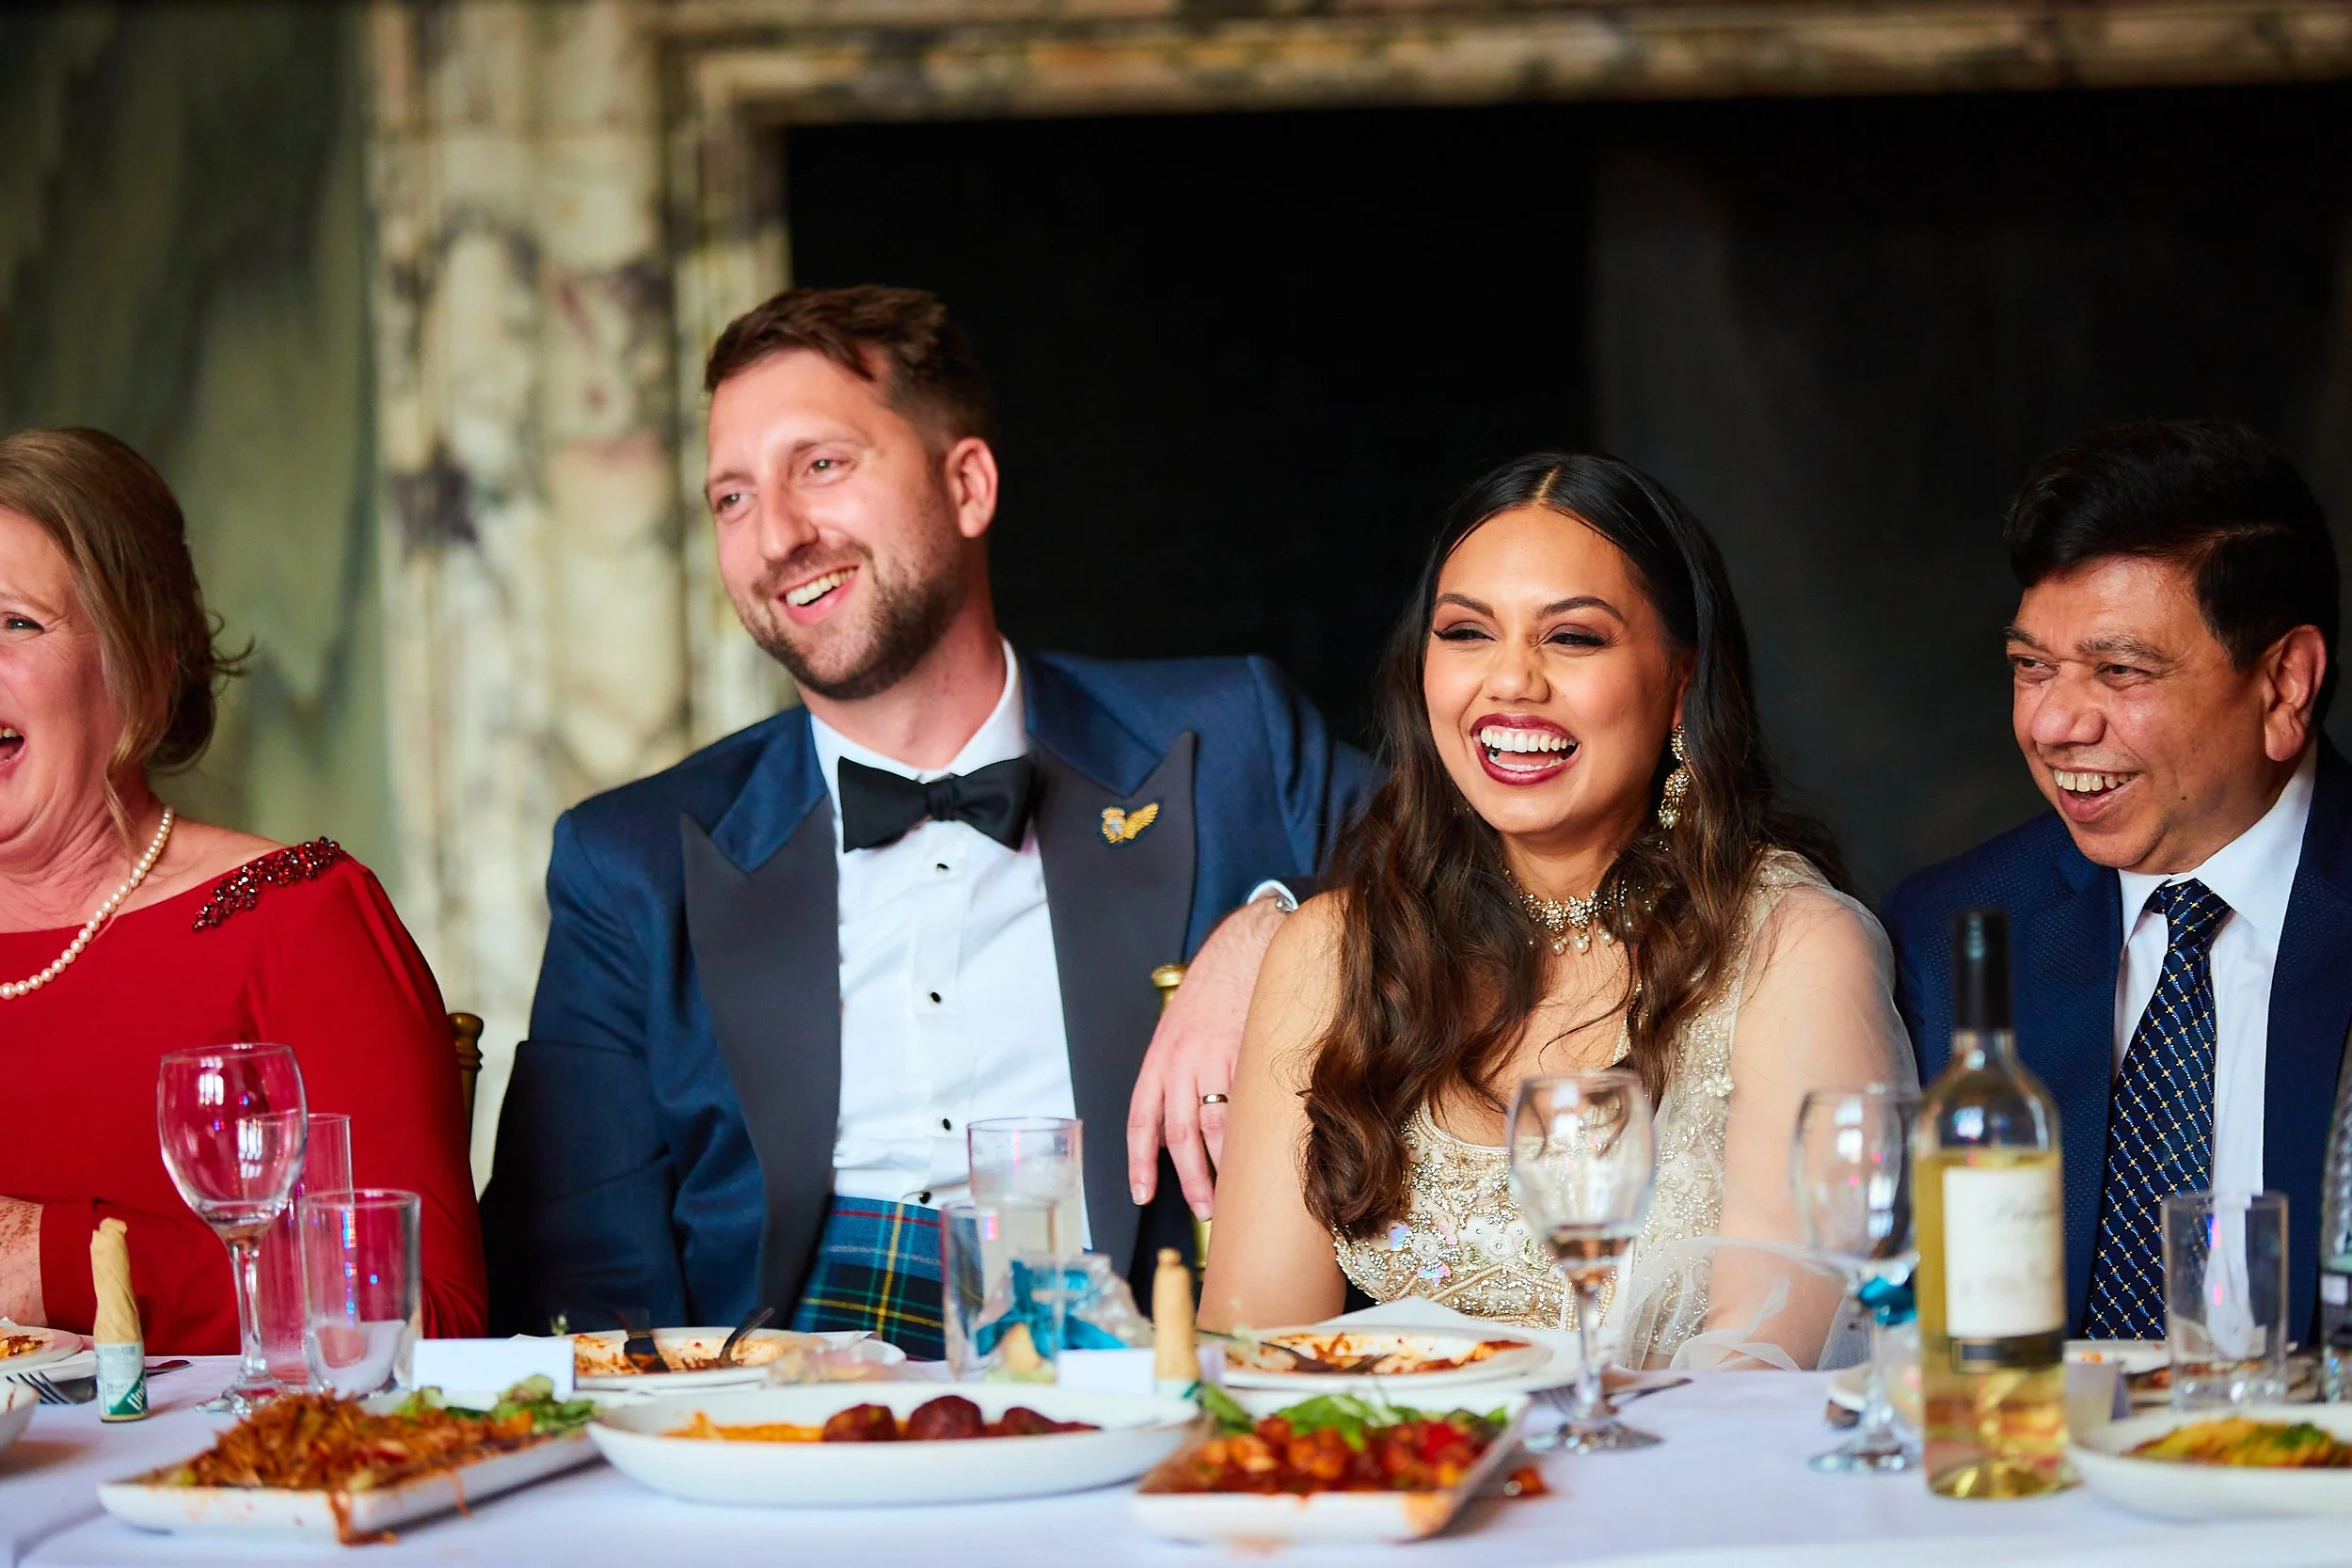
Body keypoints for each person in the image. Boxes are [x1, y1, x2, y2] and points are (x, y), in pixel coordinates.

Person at [482, 285, 1371, 1354]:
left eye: (820, 465)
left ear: (967, 484)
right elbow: (579, 1273)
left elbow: (1487, 867)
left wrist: (1274, 927)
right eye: (730, 497)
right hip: (774, 1416)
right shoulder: (627, 858)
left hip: (1144, 1379)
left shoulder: (1231, 737)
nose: (777, 537)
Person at [1202, 453, 1913, 1370]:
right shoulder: (1335, 951)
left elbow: (1764, 1376)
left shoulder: (1789, 947)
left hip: (1688, 1495)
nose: (1510, 682)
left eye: (1572, 638)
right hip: (1403, 1491)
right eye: (1466, 633)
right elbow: (1250, 1361)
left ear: (1681, 682)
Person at [0, 428, 485, 1353]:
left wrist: (55, 1258)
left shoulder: (296, 916)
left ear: (143, 659)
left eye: (16, 621)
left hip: (211, 1483)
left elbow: (429, 1314)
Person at [1886, 419, 2346, 1338]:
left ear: (2284, 684)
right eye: (2031, 666)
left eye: (2119, 670)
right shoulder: (1951, 933)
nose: (2052, 722)